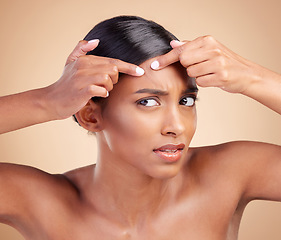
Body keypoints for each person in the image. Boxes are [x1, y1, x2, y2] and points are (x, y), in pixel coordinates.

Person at [0, 15, 281, 240]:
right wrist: (46, 101)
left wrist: (254, 78)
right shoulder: (41, 202)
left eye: (186, 100)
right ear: (90, 116)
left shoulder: (229, 175)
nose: (177, 126)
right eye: (147, 102)